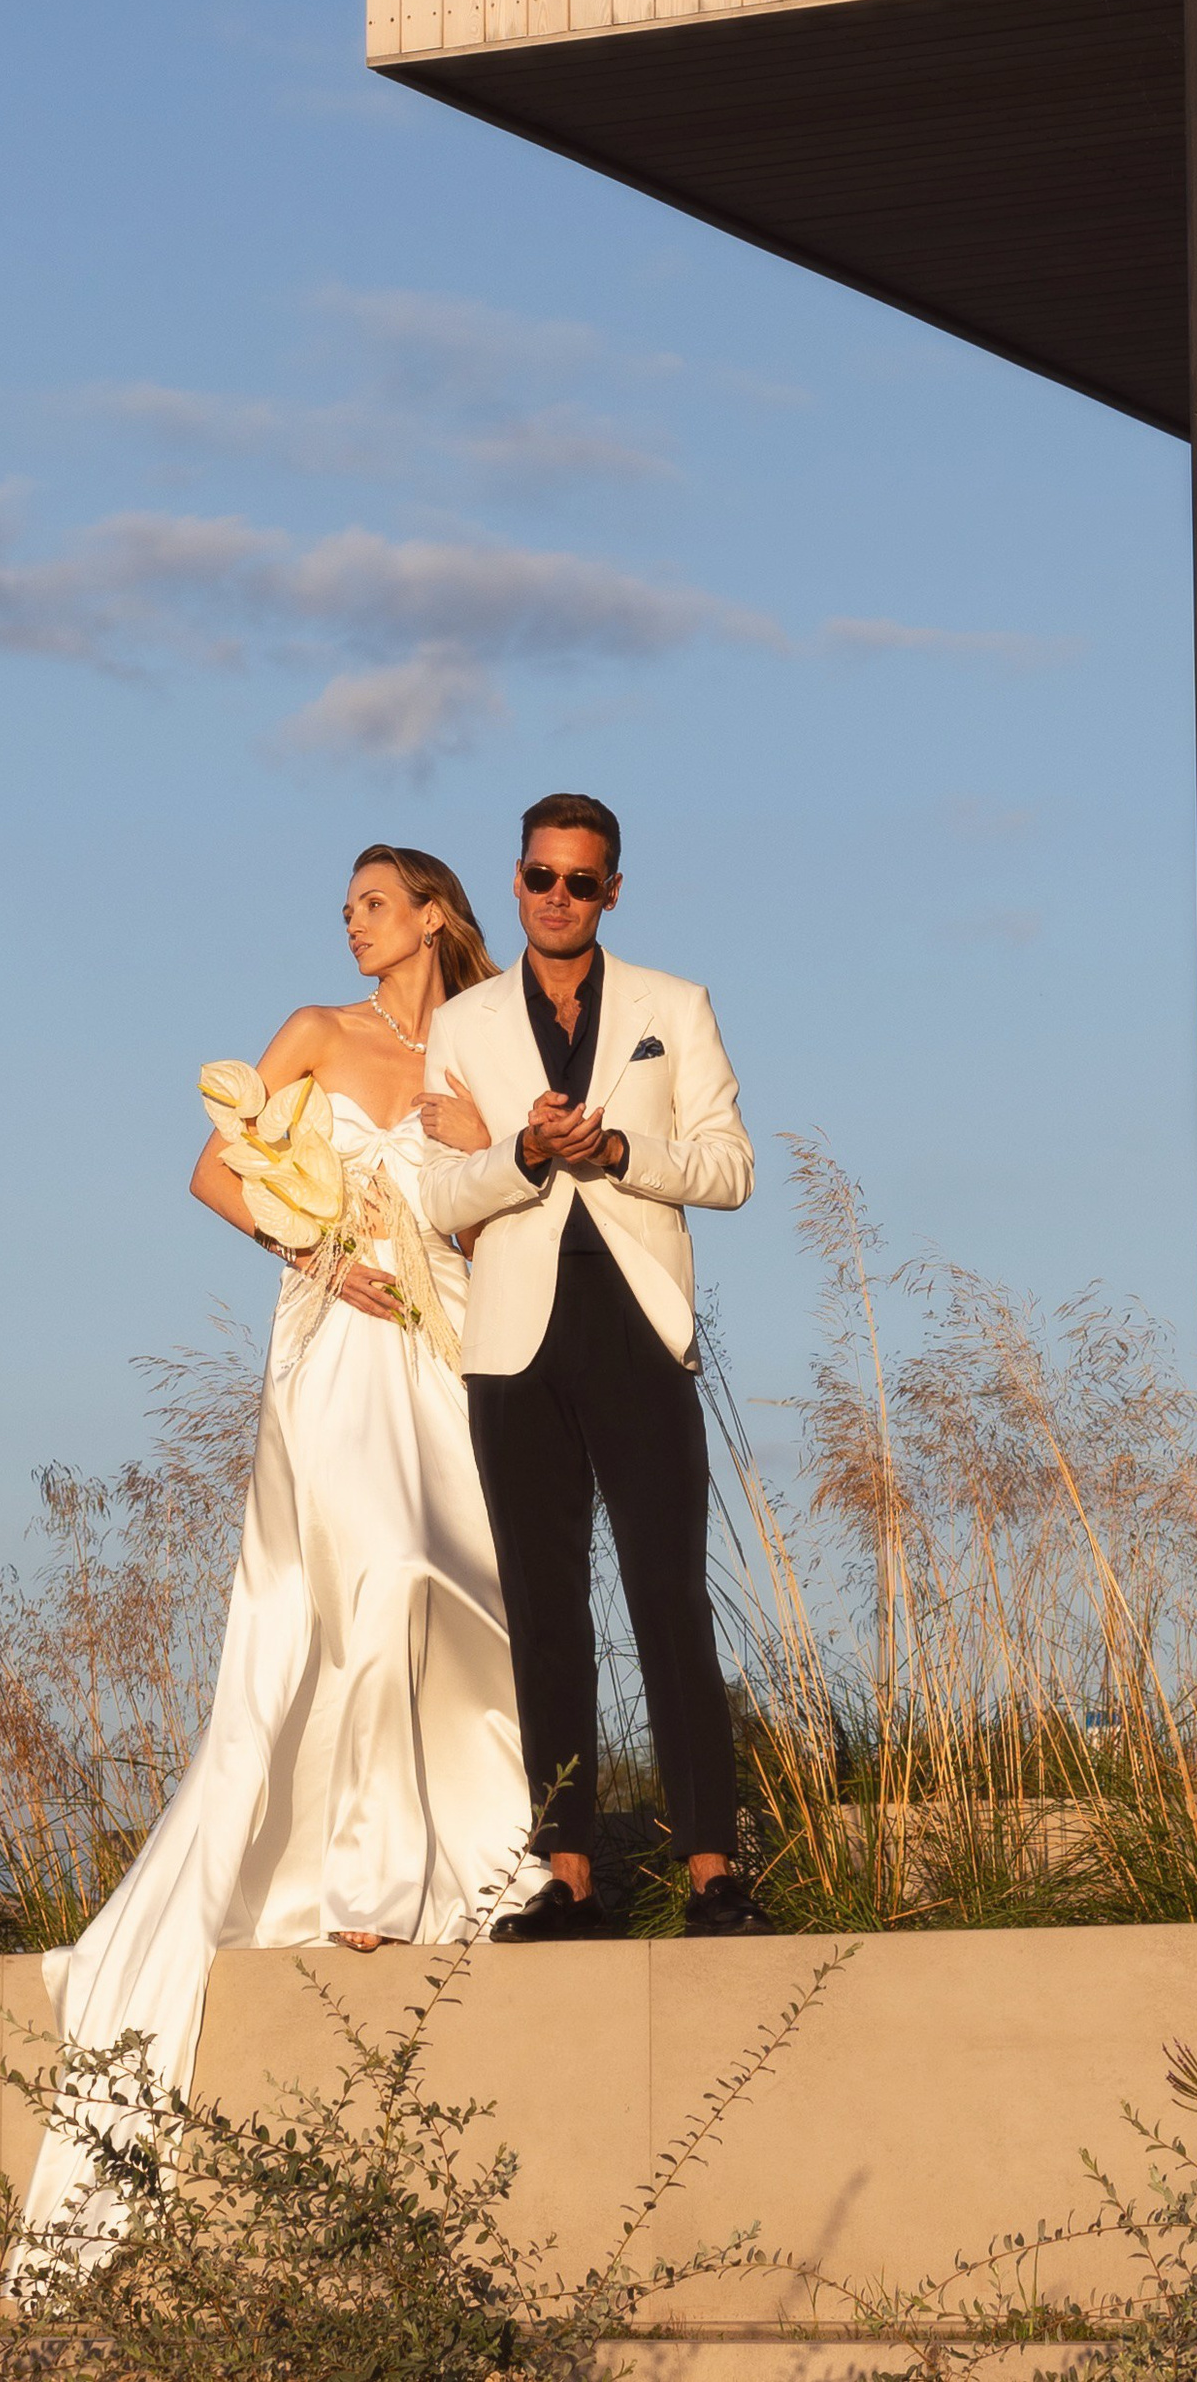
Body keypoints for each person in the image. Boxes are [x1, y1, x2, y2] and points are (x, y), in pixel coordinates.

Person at [17, 844, 540, 2262]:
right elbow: (212, 1170)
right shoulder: (314, 1033)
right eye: (349, 909)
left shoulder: (486, 1045)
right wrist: (316, 1260)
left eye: (375, 903)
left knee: (461, 1587)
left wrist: (470, 1165)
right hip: (331, 1343)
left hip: (440, 1349)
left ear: (434, 914)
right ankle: (367, 1886)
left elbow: (503, 1210)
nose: (353, 923)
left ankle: (478, 1867)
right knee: (371, 1579)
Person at [416, 792, 768, 1941]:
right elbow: (434, 1194)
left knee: (668, 1595)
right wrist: (522, 1152)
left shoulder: (676, 1005)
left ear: (612, 890)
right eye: (538, 878)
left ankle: (713, 1868)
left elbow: (728, 1169)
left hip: (638, 1325)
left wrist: (615, 1150)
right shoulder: (461, 1022)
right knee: (544, 1604)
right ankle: (568, 1878)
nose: (557, 898)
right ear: (513, 880)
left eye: (580, 881)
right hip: (512, 1341)